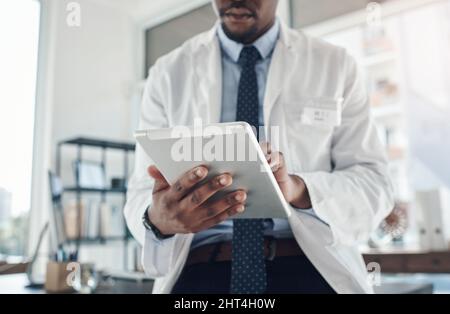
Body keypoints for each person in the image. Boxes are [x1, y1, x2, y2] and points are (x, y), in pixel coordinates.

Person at [124, 0, 394, 294]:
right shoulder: (166, 73)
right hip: (199, 271)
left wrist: (298, 189)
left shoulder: (336, 65)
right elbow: (141, 191)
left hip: (310, 266)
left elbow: (373, 183)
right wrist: (158, 220)